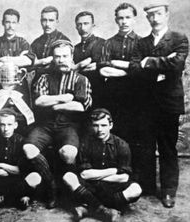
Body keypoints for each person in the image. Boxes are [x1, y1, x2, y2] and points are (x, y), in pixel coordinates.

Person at [128, 0, 189, 208]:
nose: (154, 19)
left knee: (167, 147)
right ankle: (147, 187)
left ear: (166, 15)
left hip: (168, 103)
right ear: (147, 18)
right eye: (150, 15)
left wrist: (149, 62)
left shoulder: (179, 39)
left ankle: (168, 191)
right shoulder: (141, 43)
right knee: (145, 146)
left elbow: (177, 64)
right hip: (145, 103)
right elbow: (135, 70)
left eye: (158, 14)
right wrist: (161, 65)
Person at [23, 40, 92, 208]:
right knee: (28, 148)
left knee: (68, 153)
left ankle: (71, 189)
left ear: (71, 56)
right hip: (45, 125)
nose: (61, 60)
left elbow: (82, 106)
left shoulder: (81, 79)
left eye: (65, 56)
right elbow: (39, 101)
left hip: (69, 126)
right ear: (53, 58)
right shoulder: (44, 77)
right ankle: (51, 185)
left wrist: (55, 104)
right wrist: (66, 98)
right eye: (57, 56)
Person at [63, 108, 142, 221]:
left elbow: (124, 177)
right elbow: (85, 175)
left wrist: (97, 176)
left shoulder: (122, 145)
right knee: (68, 177)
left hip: (112, 188)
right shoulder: (86, 143)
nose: (100, 129)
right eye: (96, 125)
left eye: (104, 125)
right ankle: (105, 211)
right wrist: (114, 170)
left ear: (111, 125)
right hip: (92, 188)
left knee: (136, 189)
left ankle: (89, 208)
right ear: (91, 126)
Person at [98, 3, 144, 179]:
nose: (124, 21)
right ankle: (116, 174)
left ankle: (136, 177)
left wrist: (117, 66)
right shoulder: (108, 43)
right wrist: (131, 70)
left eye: (128, 17)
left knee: (136, 136)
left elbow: (143, 71)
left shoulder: (142, 42)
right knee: (117, 134)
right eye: (121, 18)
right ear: (116, 19)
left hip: (137, 96)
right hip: (114, 97)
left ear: (134, 19)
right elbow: (103, 69)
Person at [0, 8, 36, 106]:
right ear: (2, 23)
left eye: (14, 22)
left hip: (20, 87)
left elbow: (28, 60)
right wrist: (18, 60)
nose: (10, 26)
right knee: (1, 116)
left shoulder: (23, 43)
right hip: (1, 87)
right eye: (7, 22)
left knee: (23, 116)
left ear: (18, 24)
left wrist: (5, 59)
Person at [31, 6, 70, 85]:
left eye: (51, 20)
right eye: (44, 20)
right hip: (37, 83)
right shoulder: (36, 43)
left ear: (57, 21)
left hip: (57, 84)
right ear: (41, 21)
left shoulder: (64, 41)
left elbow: (67, 67)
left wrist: (38, 66)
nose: (47, 24)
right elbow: (30, 66)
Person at [73, 11, 105, 108]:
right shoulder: (75, 48)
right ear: (76, 27)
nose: (83, 28)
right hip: (79, 90)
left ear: (93, 25)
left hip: (99, 89)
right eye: (79, 24)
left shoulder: (102, 43)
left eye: (86, 24)